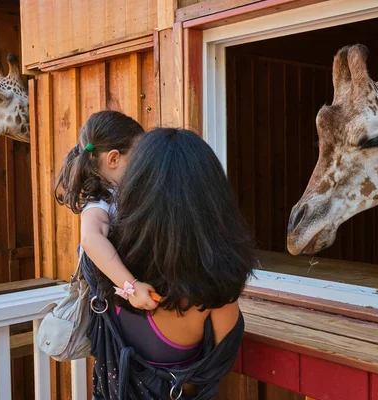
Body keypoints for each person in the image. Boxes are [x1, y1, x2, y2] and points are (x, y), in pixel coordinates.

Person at [89, 128, 256, 399]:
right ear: (213, 201)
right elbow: (214, 366)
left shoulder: (105, 264)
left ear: (134, 190)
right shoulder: (214, 291)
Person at [53, 110, 159, 312]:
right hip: (117, 311)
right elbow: (91, 239)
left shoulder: (122, 192)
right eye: (138, 158)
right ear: (113, 159)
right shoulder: (100, 201)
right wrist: (132, 287)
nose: (143, 166)